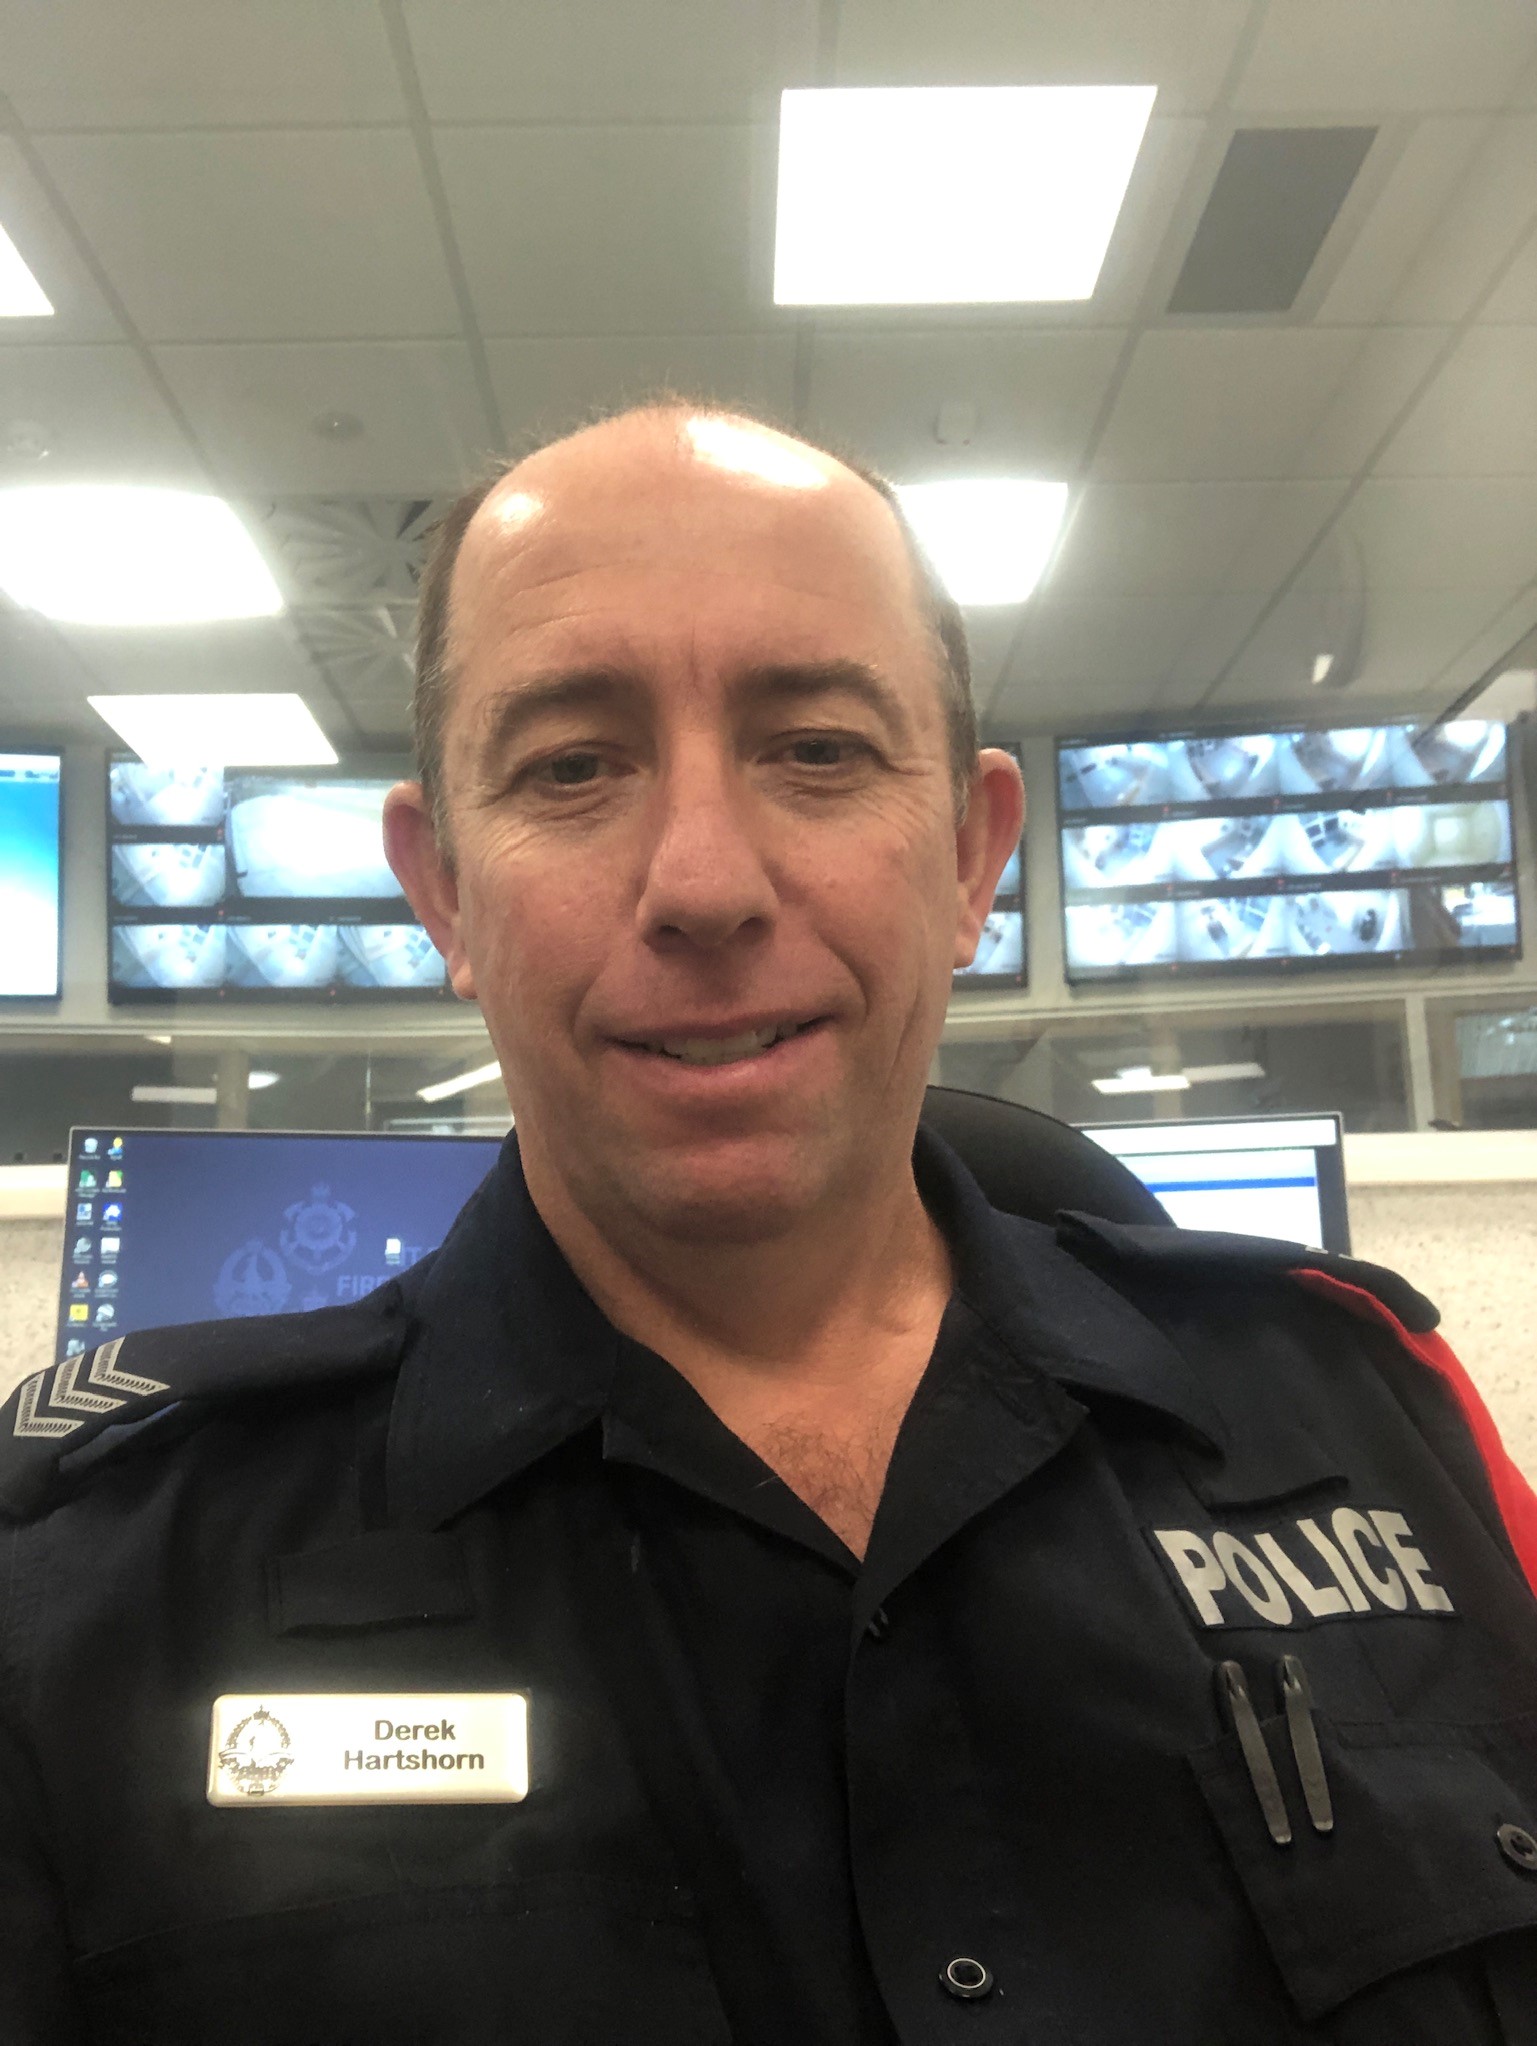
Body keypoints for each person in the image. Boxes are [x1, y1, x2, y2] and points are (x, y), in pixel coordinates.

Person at [4, 403, 1537, 2045]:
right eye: (572, 766)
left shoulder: (1361, 1409)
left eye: (814, 748)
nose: (704, 882)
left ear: (968, 853)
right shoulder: (83, 1579)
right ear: (442, 888)